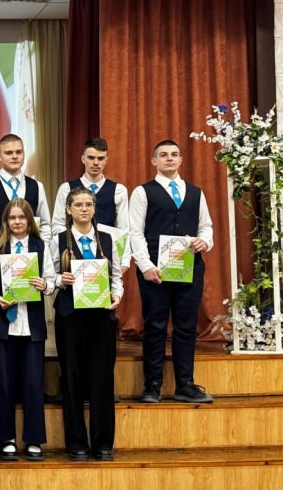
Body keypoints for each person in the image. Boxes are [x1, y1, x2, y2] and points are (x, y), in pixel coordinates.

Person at [130, 140, 214, 404]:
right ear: (154, 161)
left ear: (180, 160)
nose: (169, 158)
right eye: (163, 155)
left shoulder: (196, 193)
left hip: (189, 268)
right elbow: (135, 232)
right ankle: (152, 385)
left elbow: (206, 227)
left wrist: (205, 242)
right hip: (154, 270)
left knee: (186, 327)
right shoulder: (142, 192)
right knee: (154, 326)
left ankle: (185, 385)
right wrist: (145, 266)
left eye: (174, 154)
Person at [52, 186, 122, 461]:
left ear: (94, 209)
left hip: (101, 317)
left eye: (88, 205)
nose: (84, 209)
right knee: (71, 378)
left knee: (102, 378)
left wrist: (117, 295)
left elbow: (116, 276)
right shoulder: (57, 240)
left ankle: (103, 443)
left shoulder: (108, 238)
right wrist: (61, 280)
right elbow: (47, 277)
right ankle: (77, 443)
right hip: (70, 317)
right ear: (69, 209)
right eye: (78, 205)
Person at [0, 199, 55, 462]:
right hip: (5, 325)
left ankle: (34, 439)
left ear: (30, 220)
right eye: (12, 218)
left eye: (22, 217)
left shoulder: (41, 246)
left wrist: (44, 285)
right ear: (5, 221)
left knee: (33, 384)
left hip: (32, 325)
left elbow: (51, 280)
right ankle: (6, 439)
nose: (17, 222)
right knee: (4, 385)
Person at [52, 137, 131, 271]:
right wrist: (71, 247)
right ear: (83, 159)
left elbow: (123, 230)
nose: (95, 163)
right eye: (91, 158)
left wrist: (124, 261)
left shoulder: (119, 190)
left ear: (106, 160)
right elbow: (58, 225)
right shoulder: (66, 188)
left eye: (100, 158)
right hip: (74, 253)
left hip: (106, 254)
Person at [0, 134, 52, 242]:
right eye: (9, 153)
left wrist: (42, 247)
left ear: (24, 154)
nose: (15, 156)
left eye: (19, 152)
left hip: (30, 252)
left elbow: (45, 224)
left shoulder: (37, 186)